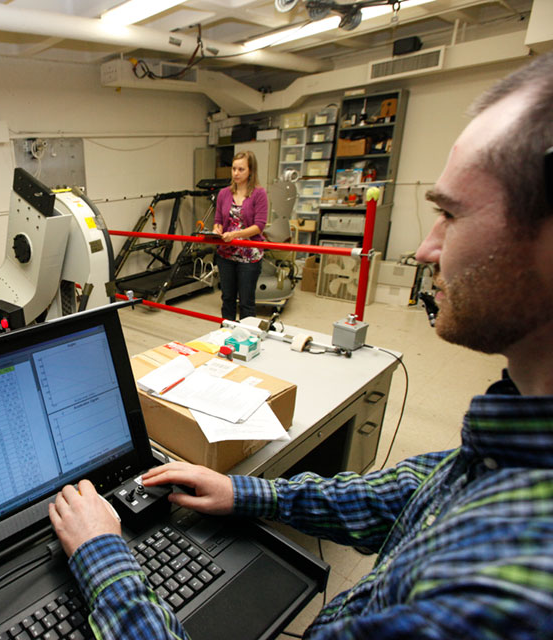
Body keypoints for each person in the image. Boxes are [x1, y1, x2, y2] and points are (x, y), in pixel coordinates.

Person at [49, 52, 553, 639]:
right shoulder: (513, 444)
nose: (424, 249)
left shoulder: (501, 596)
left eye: (450, 215)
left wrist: (105, 560)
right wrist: (248, 490)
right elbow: (417, 491)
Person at [212, 150, 268, 321]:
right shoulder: (224, 194)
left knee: (246, 302)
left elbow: (259, 226)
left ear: (251, 170)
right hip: (226, 254)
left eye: (241, 169)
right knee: (227, 299)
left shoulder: (259, 194)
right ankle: (226, 336)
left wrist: (236, 234)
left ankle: (247, 339)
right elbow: (218, 220)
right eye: (234, 169)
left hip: (249, 256)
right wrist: (217, 230)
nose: (236, 173)